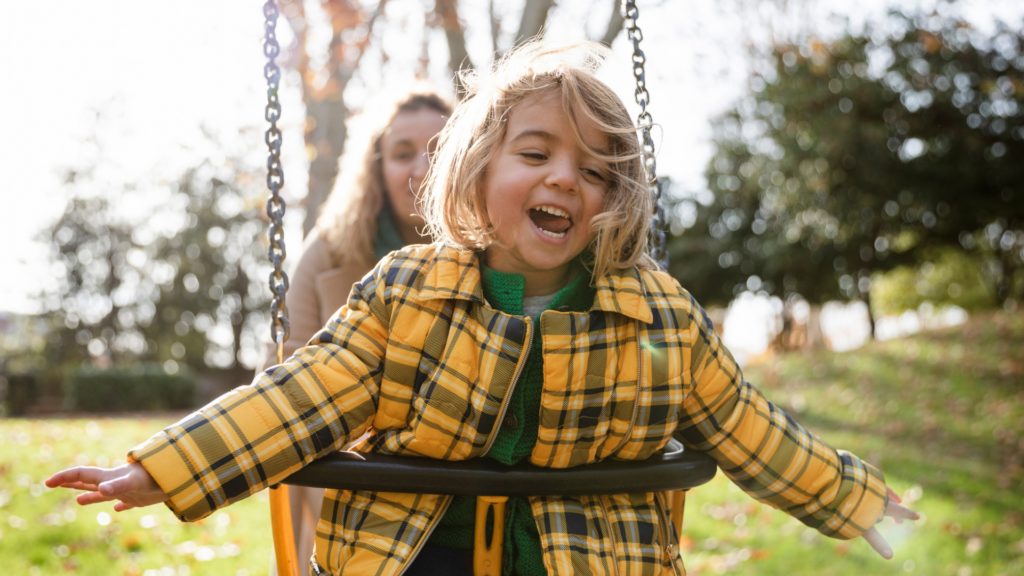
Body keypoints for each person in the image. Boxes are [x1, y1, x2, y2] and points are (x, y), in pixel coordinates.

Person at [46, 41, 917, 576]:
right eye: (535, 152)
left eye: (598, 170)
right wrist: (164, 467)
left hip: (592, 558)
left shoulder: (660, 314)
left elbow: (746, 425)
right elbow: (302, 395)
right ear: (475, 175)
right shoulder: (406, 292)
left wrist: (859, 502)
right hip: (414, 552)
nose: (566, 179)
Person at [255, 88, 451, 570]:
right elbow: (281, 376)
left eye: (440, 151)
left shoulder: (501, 252)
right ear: (376, 168)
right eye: (403, 154)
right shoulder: (329, 252)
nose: (422, 170)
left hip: (460, 502)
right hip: (350, 498)